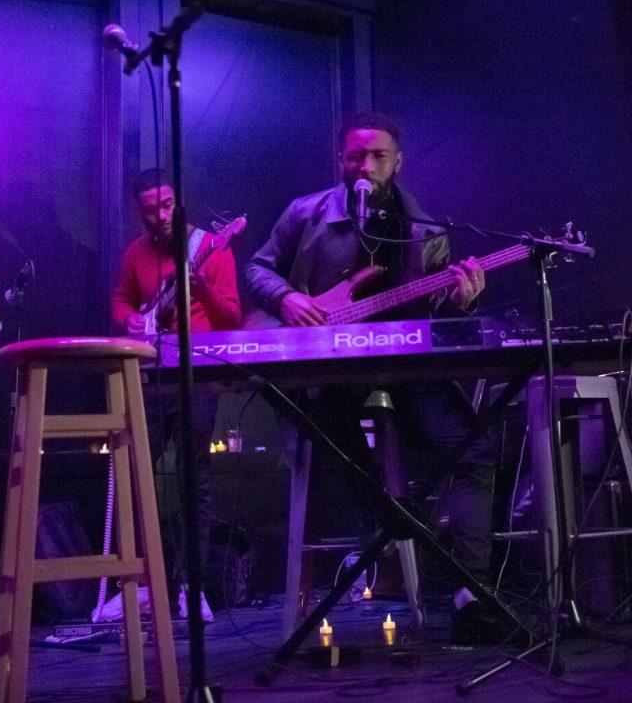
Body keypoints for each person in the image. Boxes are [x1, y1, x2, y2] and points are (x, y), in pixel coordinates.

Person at [243, 112, 506, 644]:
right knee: (326, 435)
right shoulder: (305, 212)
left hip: (403, 363)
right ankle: (398, 522)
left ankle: (471, 591)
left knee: (474, 448)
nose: (366, 164)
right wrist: (288, 297)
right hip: (329, 366)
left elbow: (438, 316)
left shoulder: (428, 232)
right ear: (341, 159)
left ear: (398, 161)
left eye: (378, 155)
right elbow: (257, 269)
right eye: (356, 155)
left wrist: (459, 300)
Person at [110, 168, 241, 622]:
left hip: (197, 375)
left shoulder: (211, 249)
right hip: (150, 372)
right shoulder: (135, 254)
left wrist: (202, 286)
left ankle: (191, 586)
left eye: (166, 206)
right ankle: (145, 581)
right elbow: (121, 300)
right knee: (138, 475)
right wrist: (128, 318)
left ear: (179, 201)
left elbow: (232, 319)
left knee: (194, 479)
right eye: (150, 211)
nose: (160, 217)